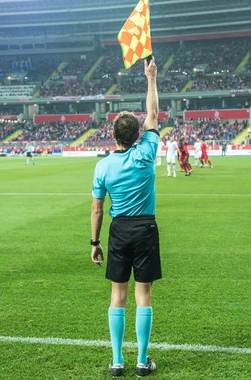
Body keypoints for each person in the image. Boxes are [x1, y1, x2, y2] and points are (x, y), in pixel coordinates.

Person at [91, 57, 160, 377]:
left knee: (117, 295)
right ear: (137, 134)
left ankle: (117, 360)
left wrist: (94, 241)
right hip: (145, 228)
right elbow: (154, 115)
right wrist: (150, 79)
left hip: (118, 230)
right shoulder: (146, 153)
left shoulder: (103, 166)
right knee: (142, 294)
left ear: (114, 135)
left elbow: (96, 209)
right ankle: (142, 362)